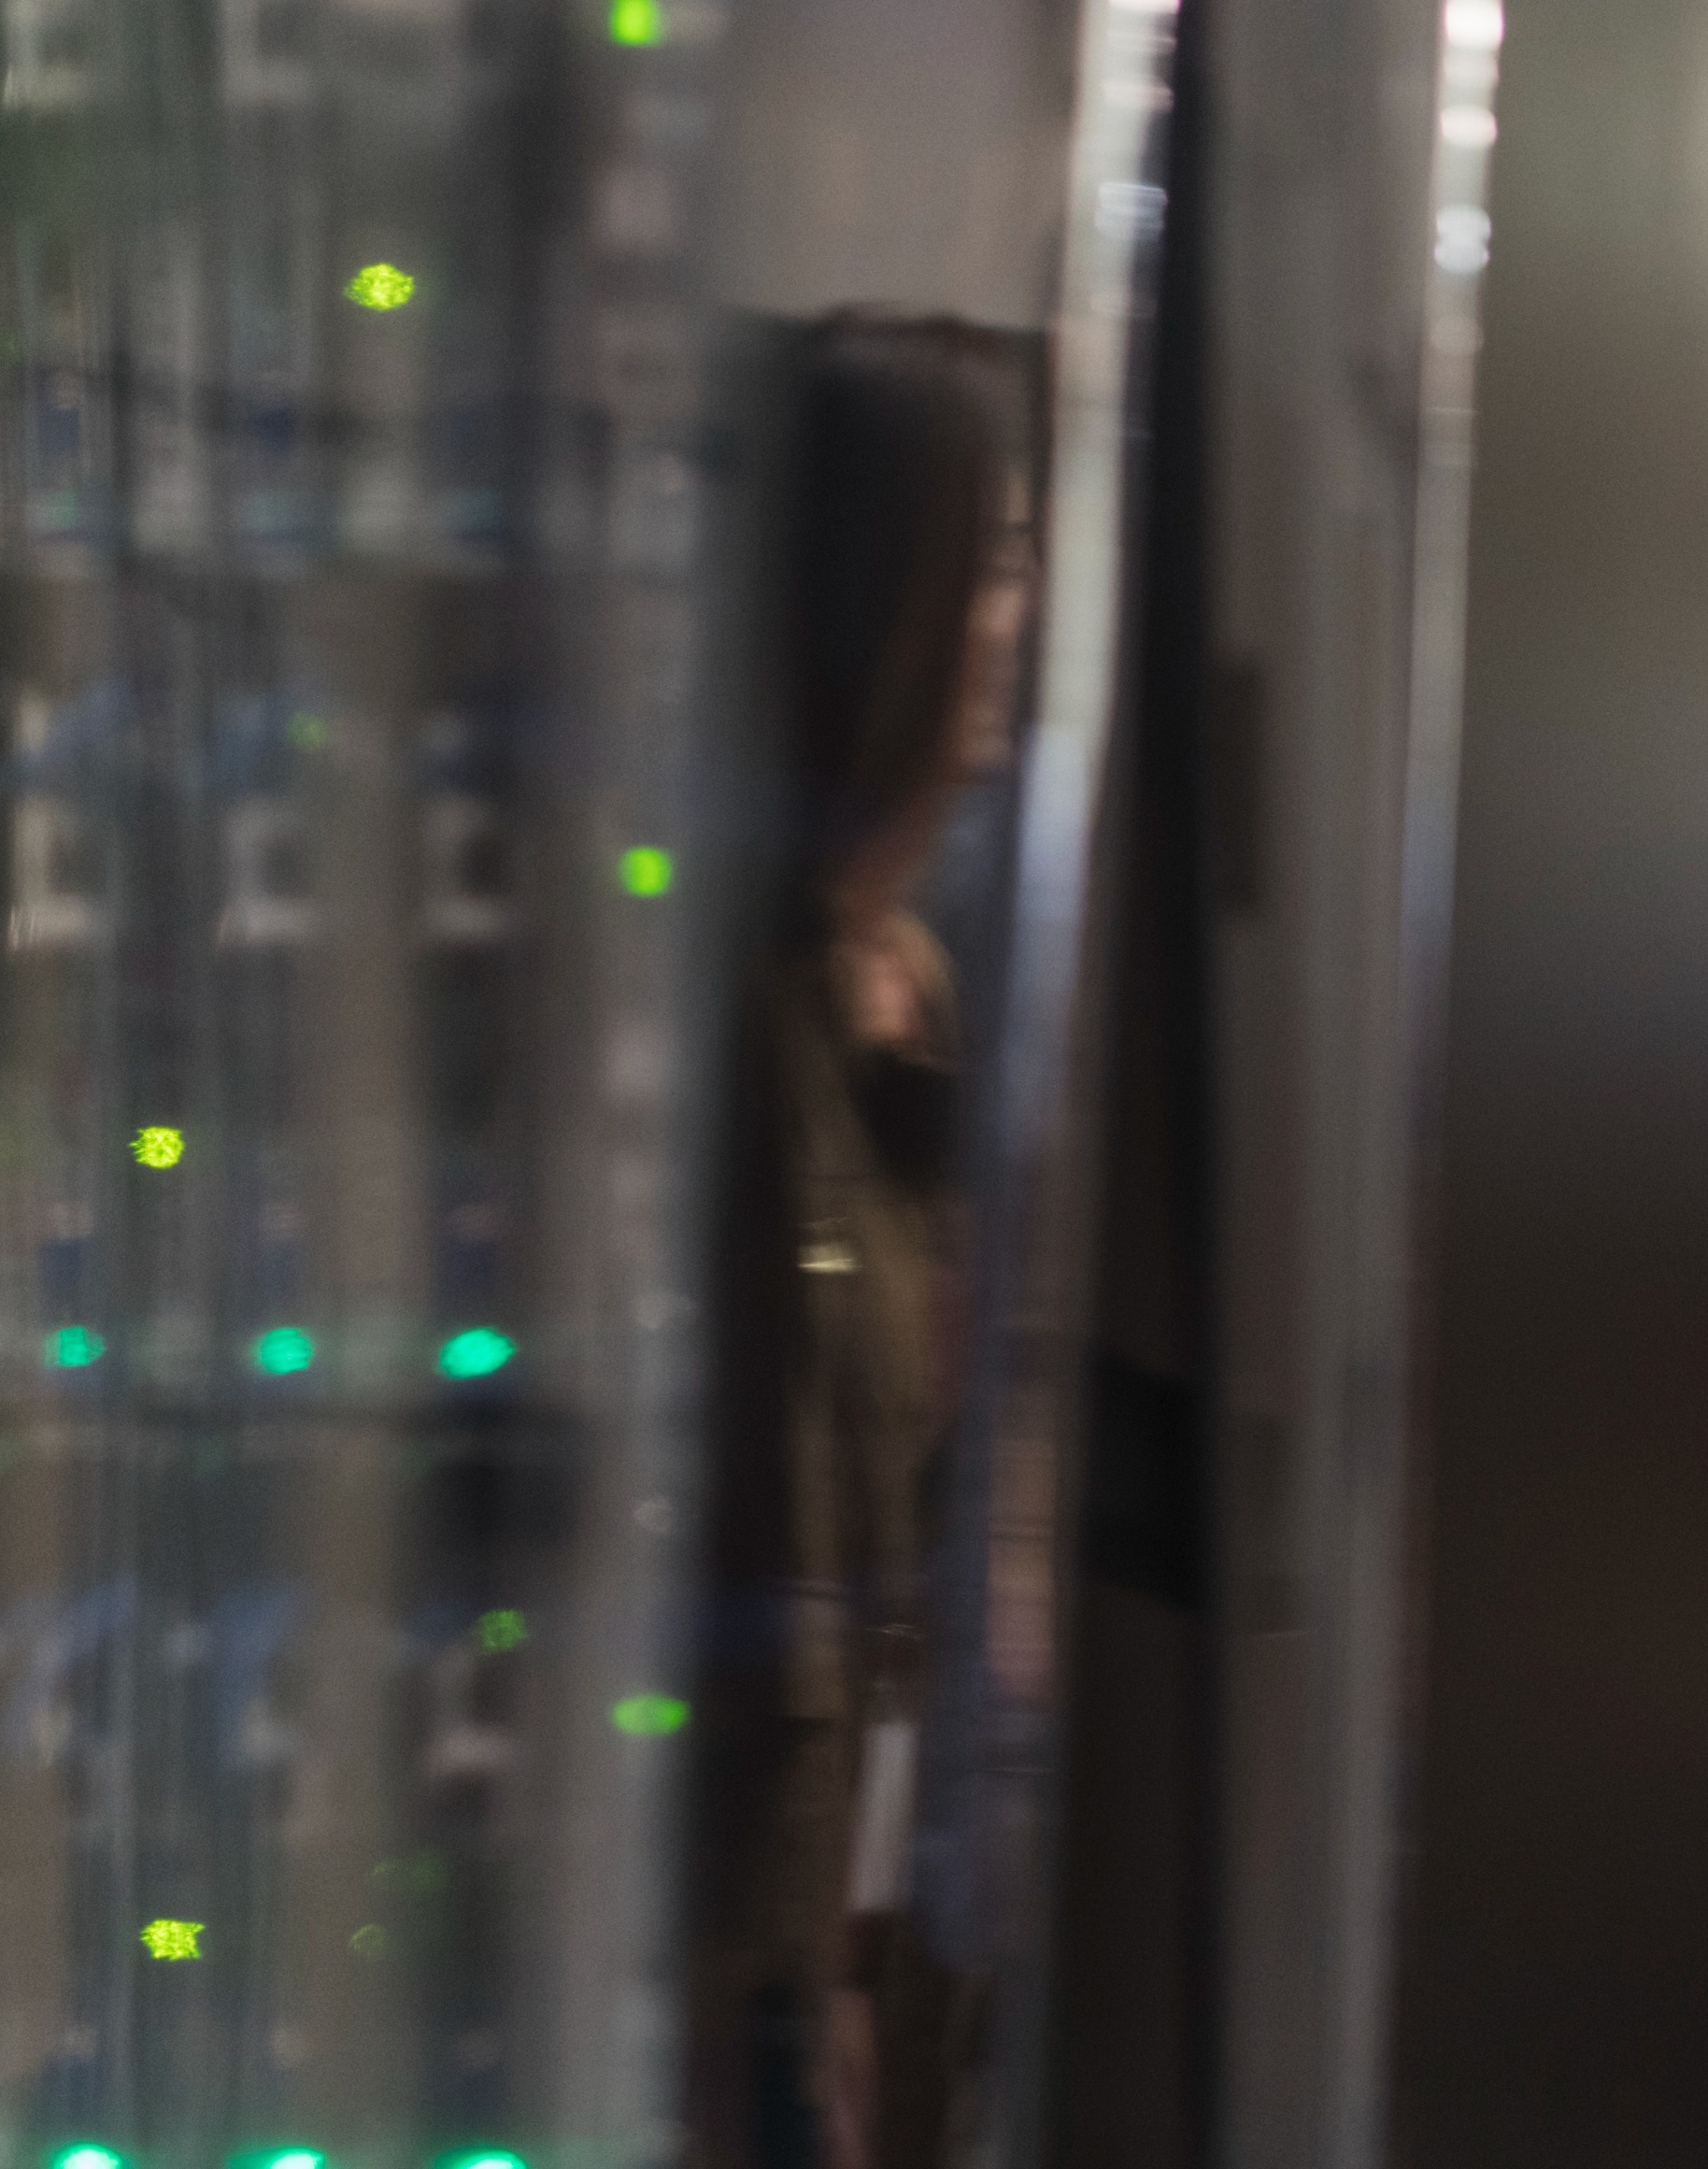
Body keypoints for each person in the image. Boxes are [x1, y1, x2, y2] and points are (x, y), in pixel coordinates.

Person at [688, 311, 1044, 2169]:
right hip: (747, 1961)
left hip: (880, 1932)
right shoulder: (742, 1029)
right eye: (987, 557)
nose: (1020, 606)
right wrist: (796, 1973)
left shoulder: (904, 996)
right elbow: (768, 1574)